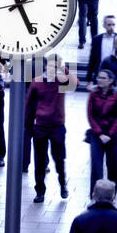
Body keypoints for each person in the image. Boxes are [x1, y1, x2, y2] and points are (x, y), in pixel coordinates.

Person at [26, 55, 72, 202]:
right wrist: (29, 126)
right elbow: (29, 105)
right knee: (39, 161)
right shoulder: (37, 82)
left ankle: (63, 184)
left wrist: (63, 68)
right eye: (50, 66)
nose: (52, 69)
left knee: (59, 159)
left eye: (55, 66)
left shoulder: (61, 81)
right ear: (45, 66)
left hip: (57, 126)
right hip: (40, 126)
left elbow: (75, 82)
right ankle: (40, 191)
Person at [86, 68, 117, 197]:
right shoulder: (93, 93)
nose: (99, 80)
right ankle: (94, 194)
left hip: (113, 135)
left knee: (112, 166)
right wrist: (99, 133)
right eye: (99, 77)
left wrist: (109, 134)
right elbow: (90, 115)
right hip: (97, 135)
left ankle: (112, 195)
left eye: (103, 78)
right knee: (96, 166)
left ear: (110, 81)